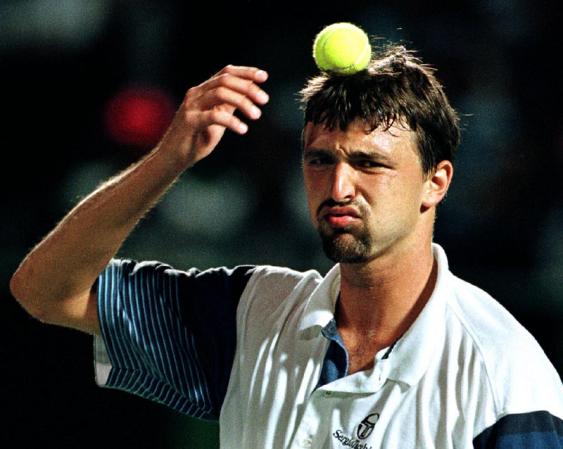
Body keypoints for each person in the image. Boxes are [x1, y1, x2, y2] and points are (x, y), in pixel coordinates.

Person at [10, 41, 562, 449]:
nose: (339, 187)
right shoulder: (250, 313)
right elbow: (44, 290)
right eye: (321, 159)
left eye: (369, 163)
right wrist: (168, 158)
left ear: (435, 181)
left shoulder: (504, 372)